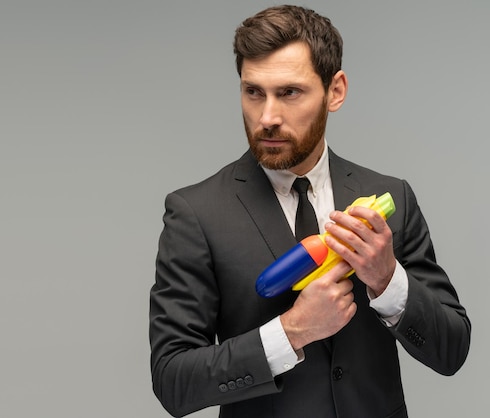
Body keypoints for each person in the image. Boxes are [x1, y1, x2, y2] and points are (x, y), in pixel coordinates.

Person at [149, 5, 471, 418]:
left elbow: (453, 351)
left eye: (289, 93)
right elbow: (173, 381)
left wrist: (389, 280)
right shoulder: (196, 213)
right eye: (253, 92)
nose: (267, 117)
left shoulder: (392, 197)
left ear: (335, 91)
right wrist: (291, 332)